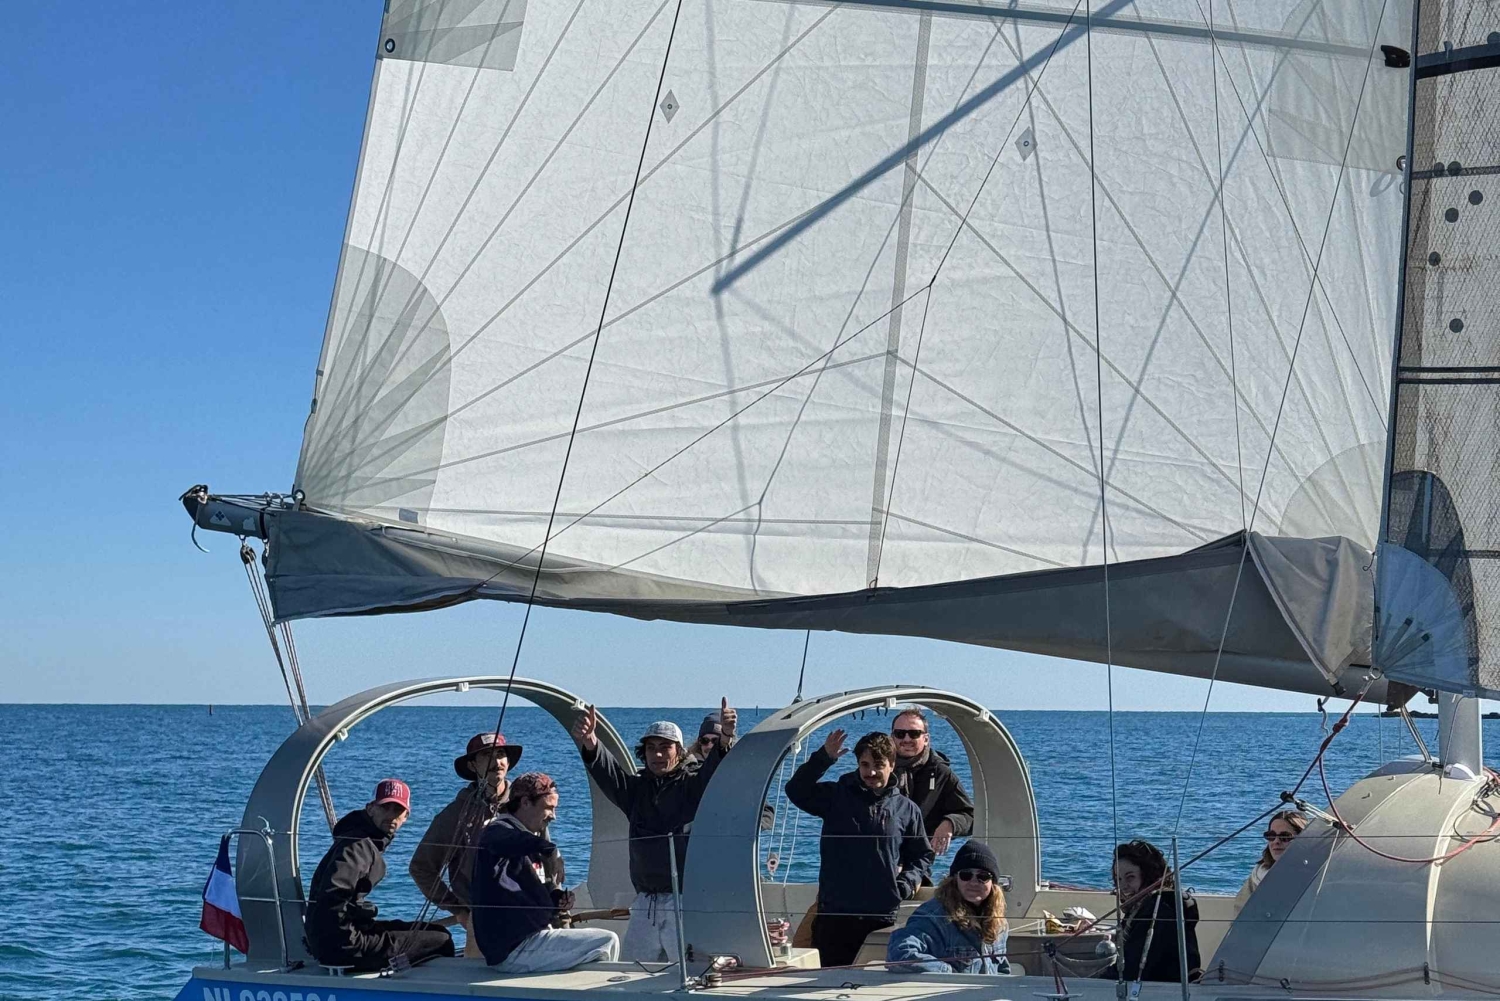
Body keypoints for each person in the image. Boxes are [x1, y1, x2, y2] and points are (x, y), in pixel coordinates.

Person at [571, 698, 737, 961]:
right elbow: (608, 773)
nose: (657, 754)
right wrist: (591, 742)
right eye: (651, 748)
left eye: (665, 747)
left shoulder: (692, 785)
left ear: (679, 751)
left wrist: (726, 736)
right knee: (632, 973)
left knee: (688, 975)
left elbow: (713, 770)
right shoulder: (635, 790)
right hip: (644, 903)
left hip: (683, 901)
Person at [785, 729, 934, 968]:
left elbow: (922, 855)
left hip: (881, 915)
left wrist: (905, 885)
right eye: (864, 765)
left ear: (892, 764)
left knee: (873, 985)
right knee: (828, 982)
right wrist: (824, 757)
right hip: (835, 913)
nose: (871, 772)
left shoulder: (906, 809)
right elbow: (795, 790)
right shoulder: (836, 796)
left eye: (878, 764)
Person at [471, 773, 620, 972]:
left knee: (597, 946)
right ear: (525, 803)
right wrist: (550, 849)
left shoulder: (527, 837)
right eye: (549, 807)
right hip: (515, 948)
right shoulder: (498, 832)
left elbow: (527, 888)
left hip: (532, 939)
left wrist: (556, 899)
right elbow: (505, 841)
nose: (554, 816)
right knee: (607, 941)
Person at [410, 732, 543, 953]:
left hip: (533, 917)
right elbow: (421, 867)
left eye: (500, 754)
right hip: (484, 925)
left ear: (508, 762)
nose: (496, 761)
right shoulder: (455, 815)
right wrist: (459, 910)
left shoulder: (527, 804)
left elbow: (547, 857)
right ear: (472, 766)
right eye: (486, 756)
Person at [305, 779, 455, 971]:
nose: (391, 816)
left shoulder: (361, 840)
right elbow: (333, 895)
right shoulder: (357, 846)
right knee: (441, 940)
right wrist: (343, 941)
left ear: (406, 816)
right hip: (345, 947)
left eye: (398, 810)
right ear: (370, 809)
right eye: (385, 807)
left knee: (432, 931)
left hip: (341, 939)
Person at [886, 840, 1010, 974]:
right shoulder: (932, 917)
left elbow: (1002, 968)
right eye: (966, 875)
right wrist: (949, 972)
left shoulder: (999, 922)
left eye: (983, 876)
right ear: (955, 879)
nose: (974, 882)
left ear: (993, 883)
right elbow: (899, 954)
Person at [1098, 840, 1200, 984]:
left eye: (1130, 877)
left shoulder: (1158, 911)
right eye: (1118, 879)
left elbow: (1131, 971)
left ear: (1148, 876)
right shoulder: (1149, 905)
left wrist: (1092, 980)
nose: (1122, 886)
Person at [890, 708, 974, 858]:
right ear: (892, 737)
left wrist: (950, 823)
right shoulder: (879, 768)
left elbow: (969, 815)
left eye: (914, 734)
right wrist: (831, 758)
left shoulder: (941, 773)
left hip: (919, 860)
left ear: (926, 738)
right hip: (880, 856)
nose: (907, 739)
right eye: (900, 734)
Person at [1234, 811, 1309, 915]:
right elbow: (1240, 915)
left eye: (1285, 836)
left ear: (1303, 839)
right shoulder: (1258, 875)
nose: (1276, 841)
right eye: (1271, 836)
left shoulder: (1318, 874)